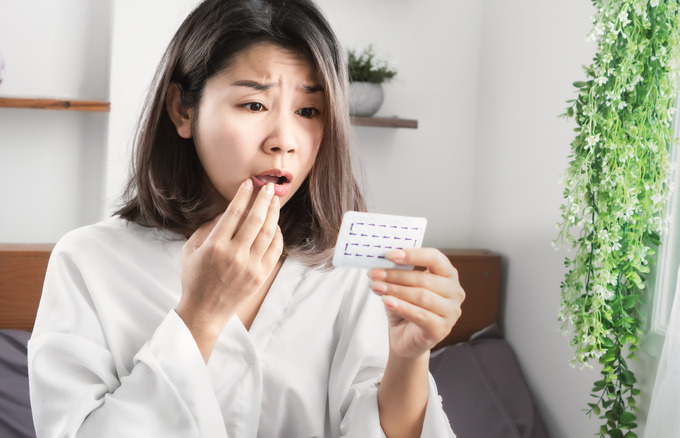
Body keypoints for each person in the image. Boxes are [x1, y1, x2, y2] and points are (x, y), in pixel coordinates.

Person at [27, 0, 464, 437]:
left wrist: (409, 356)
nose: (284, 141)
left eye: (308, 111)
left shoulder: (350, 272)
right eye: (254, 105)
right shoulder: (88, 262)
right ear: (183, 110)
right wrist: (199, 315)